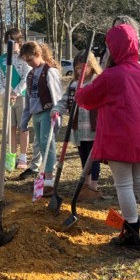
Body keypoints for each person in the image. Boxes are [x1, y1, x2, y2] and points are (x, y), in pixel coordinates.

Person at [76, 22, 140, 246]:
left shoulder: (111, 75)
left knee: (124, 185)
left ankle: (132, 232)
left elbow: (86, 100)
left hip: (119, 138)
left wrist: (79, 92)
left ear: (114, 49)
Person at [51, 49, 103, 201]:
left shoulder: (97, 81)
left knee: (93, 158)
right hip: (78, 129)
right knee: (83, 155)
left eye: (83, 67)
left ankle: (94, 186)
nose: (80, 71)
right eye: (77, 68)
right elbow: (64, 100)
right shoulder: (74, 84)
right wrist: (56, 110)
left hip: (93, 127)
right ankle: (85, 185)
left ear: (91, 65)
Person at [18, 41, 64, 190]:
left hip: (48, 113)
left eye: (30, 60)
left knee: (47, 143)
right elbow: (28, 99)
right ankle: (46, 171)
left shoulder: (49, 71)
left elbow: (57, 96)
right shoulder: (30, 75)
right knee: (40, 146)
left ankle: (49, 178)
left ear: (38, 54)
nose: (29, 64)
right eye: (26, 61)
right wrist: (24, 121)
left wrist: (57, 116)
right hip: (36, 114)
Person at [0, 28, 33, 170]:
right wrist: (5, 92)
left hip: (22, 97)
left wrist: (16, 92)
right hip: (7, 98)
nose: (10, 45)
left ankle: (23, 157)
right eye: (7, 42)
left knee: (23, 127)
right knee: (10, 127)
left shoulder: (24, 58)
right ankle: (11, 155)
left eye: (13, 42)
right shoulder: (2, 59)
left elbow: (26, 77)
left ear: (19, 42)